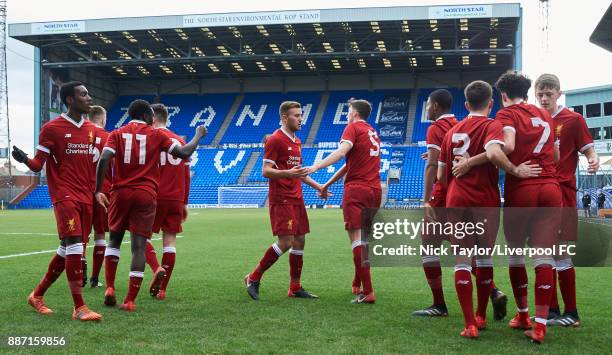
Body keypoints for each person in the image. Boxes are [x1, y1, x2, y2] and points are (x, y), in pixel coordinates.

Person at [437, 80, 538, 339]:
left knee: (461, 261)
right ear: (491, 103)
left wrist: (453, 187)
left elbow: (441, 174)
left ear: (466, 104)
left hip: (457, 199)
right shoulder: (493, 125)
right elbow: (495, 153)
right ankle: (481, 316)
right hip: (485, 199)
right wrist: (514, 170)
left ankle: (469, 324)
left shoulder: (451, 132)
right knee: (484, 259)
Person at [95, 99, 206, 312]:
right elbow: (183, 153)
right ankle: (129, 300)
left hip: (120, 192)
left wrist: (99, 189)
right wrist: (199, 135)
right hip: (146, 194)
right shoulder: (157, 134)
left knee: (114, 241)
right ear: (148, 116)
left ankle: (109, 288)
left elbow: (105, 159)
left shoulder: (116, 134)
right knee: (138, 246)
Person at [12, 81, 102, 321]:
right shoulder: (51, 128)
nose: (88, 97)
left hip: (86, 196)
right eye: (83, 94)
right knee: (73, 245)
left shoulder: (91, 130)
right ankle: (80, 307)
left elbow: (90, 165)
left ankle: (37, 295)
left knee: (66, 250)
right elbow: (38, 165)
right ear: (70, 100)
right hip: (64, 194)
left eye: (88, 93)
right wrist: (24, 159)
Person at [414, 89, 507, 320]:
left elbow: (434, 167)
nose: (426, 108)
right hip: (475, 195)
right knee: (470, 250)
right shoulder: (460, 124)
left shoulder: (435, 128)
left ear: (435, 106)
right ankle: (492, 291)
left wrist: (426, 199)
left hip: (445, 195)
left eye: (427, 104)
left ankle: (439, 304)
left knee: (429, 246)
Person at [495, 71, 561, 343]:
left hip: (523, 189)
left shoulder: (506, 115)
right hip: (551, 187)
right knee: (544, 256)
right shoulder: (545, 114)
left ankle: (522, 314)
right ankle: (541, 324)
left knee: (515, 254)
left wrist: (512, 167)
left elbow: (506, 146)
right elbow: (555, 155)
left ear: (503, 96)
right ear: (528, 92)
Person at [535, 73, 599, 327]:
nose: (544, 98)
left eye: (549, 94)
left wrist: (592, 158)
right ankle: (551, 310)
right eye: (540, 93)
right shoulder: (534, 119)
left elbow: (587, 147)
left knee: (559, 250)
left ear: (559, 94)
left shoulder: (573, 120)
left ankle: (571, 312)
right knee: (543, 252)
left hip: (561, 191)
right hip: (539, 193)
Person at [244, 101, 322, 300]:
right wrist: (288, 172)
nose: (300, 119)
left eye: (301, 115)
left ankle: (295, 287)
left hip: (297, 198)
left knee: (300, 240)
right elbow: (266, 171)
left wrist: (320, 187)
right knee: (286, 242)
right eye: (296, 115)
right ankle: (253, 277)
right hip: (282, 199)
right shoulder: (275, 139)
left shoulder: (297, 141)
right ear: (285, 118)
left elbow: (300, 173)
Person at [309, 99, 380, 304]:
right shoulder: (372, 132)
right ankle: (357, 282)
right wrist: (326, 184)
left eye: (348, 111)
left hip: (357, 190)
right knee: (363, 239)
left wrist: (316, 167)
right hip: (374, 190)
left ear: (355, 114)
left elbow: (341, 154)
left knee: (356, 240)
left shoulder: (353, 128)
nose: (347, 115)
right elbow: (350, 164)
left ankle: (367, 291)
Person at [143, 103, 191, 300]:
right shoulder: (180, 140)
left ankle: (156, 268)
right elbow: (186, 175)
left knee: (141, 238)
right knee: (170, 242)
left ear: (153, 118)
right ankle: (162, 290)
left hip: (153, 196)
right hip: (175, 198)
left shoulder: (150, 139)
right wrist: (184, 202)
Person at [88, 105, 110, 288]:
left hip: (80, 190)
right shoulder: (108, 137)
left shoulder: (80, 135)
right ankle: (94, 278)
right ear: (102, 119)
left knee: (79, 236)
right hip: (102, 191)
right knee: (100, 234)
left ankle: (79, 269)